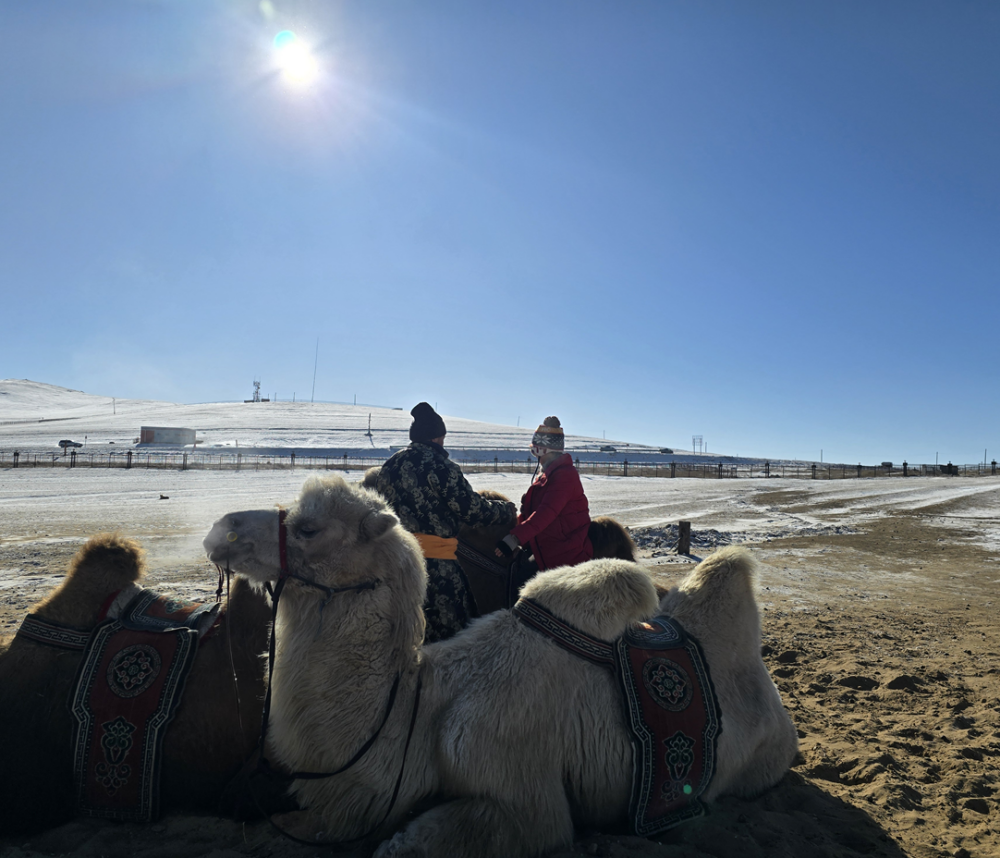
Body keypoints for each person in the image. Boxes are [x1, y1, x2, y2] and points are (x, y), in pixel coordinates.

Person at [376, 402, 515, 643]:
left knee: (400, 636)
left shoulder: (390, 466)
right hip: (436, 568)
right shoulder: (441, 466)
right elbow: (472, 511)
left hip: (394, 566)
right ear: (437, 437)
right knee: (450, 639)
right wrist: (506, 511)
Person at [495, 416, 593, 574]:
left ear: (545, 451)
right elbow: (531, 513)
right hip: (546, 545)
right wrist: (512, 529)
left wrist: (515, 539)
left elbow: (545, 513)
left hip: (565, 551)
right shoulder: (547, 475)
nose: (537, 459)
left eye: (537, 453)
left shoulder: (565, 475)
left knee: (521, 577)